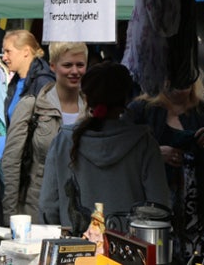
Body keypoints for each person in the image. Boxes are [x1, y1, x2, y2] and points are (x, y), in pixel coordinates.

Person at [39, 62, 170, 237]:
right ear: (126, 99)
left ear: (86, 97)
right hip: (130, 252)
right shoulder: (144, 143)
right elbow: (159, 208)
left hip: (76, 253)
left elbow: (48, 206)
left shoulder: (63, 141)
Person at [123, 75, 204, 265]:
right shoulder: (141, 110)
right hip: (153, 217)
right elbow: (123, 152)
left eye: (185, 83)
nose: (179, 90)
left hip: (200, 215)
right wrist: (154, 154)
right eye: (172, 83)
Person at [1, 42, 88, 226]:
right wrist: (11, 219)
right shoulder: (31, 106)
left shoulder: (92, 112)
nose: (75, 71)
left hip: (80, 215)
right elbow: (11, 163)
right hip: (35, 212)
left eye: (80, 65)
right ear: (53, 65)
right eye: (67, 65)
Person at [2, 30, 54, 127]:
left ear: (26, 51)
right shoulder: (15, 82)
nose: (4, 58)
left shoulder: (43, 83)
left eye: (8, 51)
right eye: (4, 52)